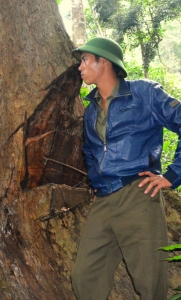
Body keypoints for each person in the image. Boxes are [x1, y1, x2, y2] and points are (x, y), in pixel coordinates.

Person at [70, 37, 181, 299]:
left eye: (85, 59)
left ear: (104, 62)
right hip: (104, 200)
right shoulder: (91, 109)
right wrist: (96, 181)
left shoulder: (144, 93)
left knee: (149, 281)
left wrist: (173, 175)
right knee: (85, 277)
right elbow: (90, 151)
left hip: (138, 193)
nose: (80, 66)